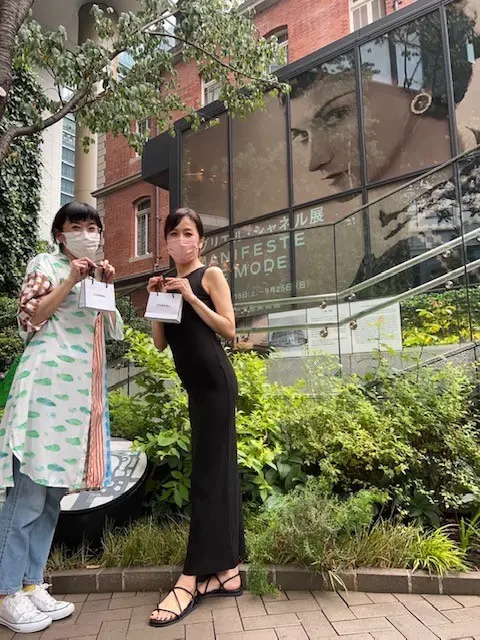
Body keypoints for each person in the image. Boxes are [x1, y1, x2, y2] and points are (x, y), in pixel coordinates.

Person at [0, 202, 124, 634]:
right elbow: (29, 319)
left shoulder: (97, 276)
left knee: (52, 498)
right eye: (76, 226)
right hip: (43, 392)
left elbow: (113, 331)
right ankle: (5, 592)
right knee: (28, 496)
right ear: (60, 234)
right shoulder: (46, 265)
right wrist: (70, 279)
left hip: (76, 401)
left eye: (93, 227)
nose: (86, 234)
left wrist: (105, 285)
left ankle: (31, 583)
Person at [148, 207, 245, 628]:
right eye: (174, 233)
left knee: (207, 477)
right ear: (166, 241)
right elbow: (159, 344)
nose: (181, 240)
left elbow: (229, 329)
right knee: (215, 472)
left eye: (188, 233)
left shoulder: (210, 276)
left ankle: (190, 579)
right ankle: (227, 572)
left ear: (200, 240)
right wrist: (156, 300)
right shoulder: (167, 284)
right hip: (196, 389)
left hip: (217, 385)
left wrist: (190, 297)